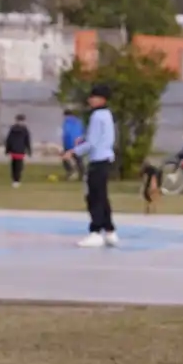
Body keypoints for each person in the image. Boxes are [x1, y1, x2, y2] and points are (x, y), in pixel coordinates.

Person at [64, 84, 116, 247]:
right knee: (102, 195)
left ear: (101, 99)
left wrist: (73, 151)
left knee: (93, 196)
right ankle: (109, 231)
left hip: (97, 160)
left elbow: (92, 142)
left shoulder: (97, 116)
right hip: (106, 158)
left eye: (93, 97)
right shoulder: (107, 115)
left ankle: (95, 231)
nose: (90, 100)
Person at [4, 113, 33, 188]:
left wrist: (7, 150)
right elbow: (27, 141)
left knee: (14, 165)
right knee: (18, 166)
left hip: (14, 150)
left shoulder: (12, 129)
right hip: (20, 150)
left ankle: (15, 179)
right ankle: (17, 180)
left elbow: (8, 140)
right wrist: (29, 150)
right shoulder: (25, 129)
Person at [59, 108, 84, 182]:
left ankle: (70, 171)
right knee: (79, 159)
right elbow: (82, 131)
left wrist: (64, 144)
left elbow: (66, 133)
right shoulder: (79, 122)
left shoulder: (66, 122)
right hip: (79, 143)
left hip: (69, 143)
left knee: (65, 158)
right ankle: (82, 174)